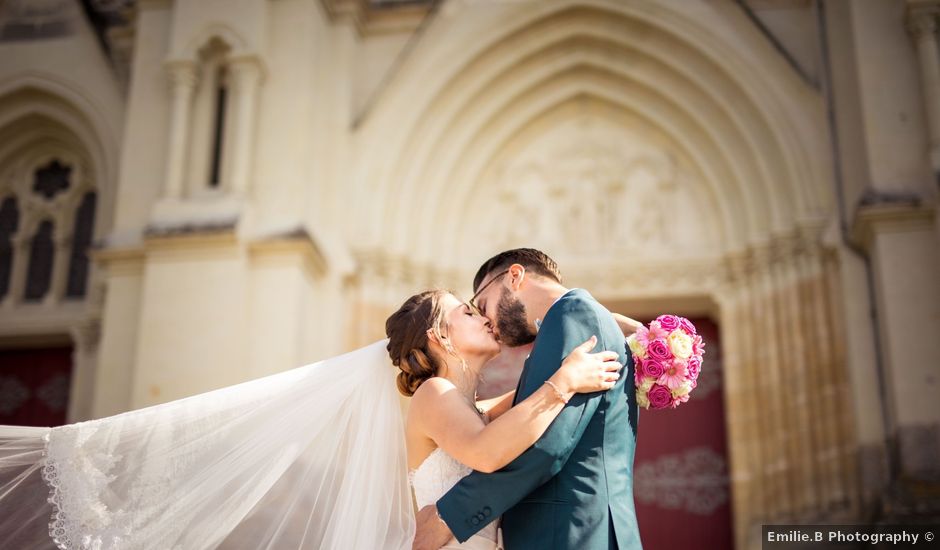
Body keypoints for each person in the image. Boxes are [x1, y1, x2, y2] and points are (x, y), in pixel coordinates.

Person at [412, 248, 643, 550]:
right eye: (472, 313)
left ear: (515, 276)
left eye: (480, 305)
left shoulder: (572, 314)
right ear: (439, 336)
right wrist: (562, 381)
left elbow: (547, 444)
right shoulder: (571, 317)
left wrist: (448, 516)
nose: (486, 321)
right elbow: (517, 417)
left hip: (570, 533)